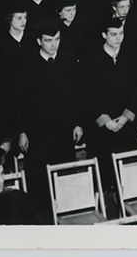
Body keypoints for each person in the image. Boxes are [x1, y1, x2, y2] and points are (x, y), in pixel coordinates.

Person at [14, 18, 83, 213]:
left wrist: (77, 123)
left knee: (65, 173)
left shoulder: (69, 61)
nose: (54, 44)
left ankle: (67, 212)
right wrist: (22, 131)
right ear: (39, 41)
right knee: (39, 178)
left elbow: (77, 96)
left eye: (57, 39)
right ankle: (43, 216)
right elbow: (18, 103)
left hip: (63, 130)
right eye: (48, 40)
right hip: (37, 133)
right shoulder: (26, 66)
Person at [81, 18, 137, 194]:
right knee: (103, 173)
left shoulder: (133, 55)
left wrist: (126, 116)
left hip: (126, 123)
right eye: (113, 34)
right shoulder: (90, 60)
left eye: (121, 34)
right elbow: (87, 93)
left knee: (127, 170)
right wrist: (105, 120)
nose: (118, 38)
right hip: (102, 126)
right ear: (104, 35)